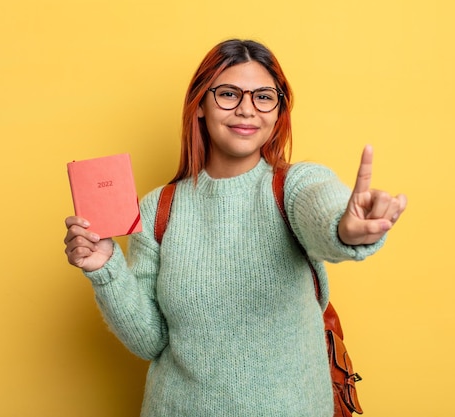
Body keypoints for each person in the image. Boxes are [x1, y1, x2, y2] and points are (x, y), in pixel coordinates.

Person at [64, 39, 406, 417]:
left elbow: (322, 207)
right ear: (199, 106)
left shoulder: (293, 185)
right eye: (228, 94)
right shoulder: (158, 208)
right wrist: (105, 268)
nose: (247, 109)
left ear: (278, 111)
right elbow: (150, 341)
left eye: (263, 97)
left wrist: (346, 228)